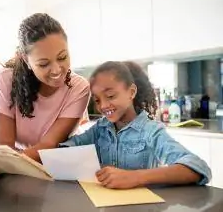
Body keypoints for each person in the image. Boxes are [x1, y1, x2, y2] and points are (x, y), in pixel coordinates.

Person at [0, 13, 90, 187]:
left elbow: (48, 145)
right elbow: (3, 145)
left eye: (62, 57)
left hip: (63, 170)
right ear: (26, 60)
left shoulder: (79, 87)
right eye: (44, 64)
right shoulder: (6, 80)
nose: (57, 70)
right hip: (22, 167)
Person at [59, 61, 212, 189]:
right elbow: (67, 148)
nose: (103, 106)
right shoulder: (100, 129)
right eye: (97, 100)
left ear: (131, 92)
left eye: (110, 96)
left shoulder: (151, 131)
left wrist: (135, 177)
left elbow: (198, 168)